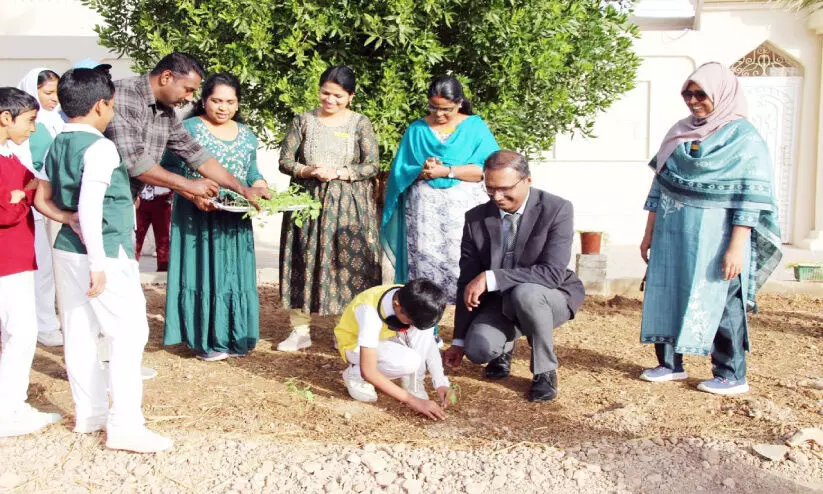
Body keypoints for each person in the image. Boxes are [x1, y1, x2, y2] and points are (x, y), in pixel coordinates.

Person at [39, 68, 172, 452]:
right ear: (101, 104)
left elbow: (42, 197)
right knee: (129, 334)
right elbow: (91, 204)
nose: (113, 112)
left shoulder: (57, 142)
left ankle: (90, 414)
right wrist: (98, 262)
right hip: (105, 251)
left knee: (78, 332)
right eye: (112, 105)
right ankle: (126, 425)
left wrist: (68, 221)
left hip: (66, 247)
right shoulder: (100, 147)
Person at [638, 62, 782, 396]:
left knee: (721, 296)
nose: (692, 100)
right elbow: (659, 185)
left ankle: (731, 373)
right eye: (687, 93)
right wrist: (648, 233)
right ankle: (670, 364)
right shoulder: (679, 131)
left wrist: (737, 246)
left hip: (720, 236)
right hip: (672, 232)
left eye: (700, 93)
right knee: (667, 288)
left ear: (721, 93)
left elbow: (750, 196)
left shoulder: (744, 138)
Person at [443, 150, 585, 403]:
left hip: (549, 296)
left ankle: (545, 371)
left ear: (527, 180)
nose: (497, 197)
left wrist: (492, 277)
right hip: (501, 303)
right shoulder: (476, 218)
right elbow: (467, 282)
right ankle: (503, 347)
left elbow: (552, 273)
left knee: (526, 293)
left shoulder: (557, 209)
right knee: (479, 350)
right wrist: (459, 340)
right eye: (490, 189)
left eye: (505, 189)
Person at [161, 73, 266, 361]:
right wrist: (192, 193)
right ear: (204, 100)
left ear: (238, 103)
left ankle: (234, 336)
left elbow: (252, 171)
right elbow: (169, 170)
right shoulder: (188, 128)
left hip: (235, 216)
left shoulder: (246, 134)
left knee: (233, 274)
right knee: (204, 274)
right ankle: (206, 339)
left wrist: (260, 185)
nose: (223, 107)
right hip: (197, 215)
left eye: (230, 102)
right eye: (216, 100)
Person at [277, 65, 382, 352]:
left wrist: (340, 172)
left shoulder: (360, 123)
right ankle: (300, 331)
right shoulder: (303, 121)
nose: (330, 100)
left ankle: (345, 330)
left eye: (338, 95)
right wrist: (309, 171)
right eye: (326, 93)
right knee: (303, 258)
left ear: (351, 96)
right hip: (307, 202)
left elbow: (372, 164)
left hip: (348, 204)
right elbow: (285, 161)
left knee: (345, 262)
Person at [381, 76, 499, 305]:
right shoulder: (417, 129)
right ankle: (425, 329)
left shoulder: (475, 127)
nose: (439, 114)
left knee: (463, 263)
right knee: (425, 265)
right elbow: (400, 170)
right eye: (433, 107)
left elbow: (488, 169)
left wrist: (447, 171)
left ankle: (465, 332)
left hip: (462, 214)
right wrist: (420, 170)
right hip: (425, 217)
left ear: (460, 103)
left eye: (446, 109)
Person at [103, 51, 270, 209]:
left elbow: (196, 154)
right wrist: (189, 186)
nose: (190, 98)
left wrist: (242, 190)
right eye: (188, 89)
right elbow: (136, 163)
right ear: (166, 77)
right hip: (101, 201)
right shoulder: (125, 96)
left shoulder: (165, 110)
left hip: (123, 202)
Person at [0, 87, 62, 437]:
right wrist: (22, 195)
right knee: (20, 332)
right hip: (6, 259)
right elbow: (7, 212)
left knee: (20, 332)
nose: (34, 129)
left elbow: (26, 190)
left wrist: (20, 194)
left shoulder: (10, 154)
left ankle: (11, 404)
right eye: (30, 120)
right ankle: (8, 410)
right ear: (5, 118)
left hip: (16, 256)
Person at [333, 278, 452, 420]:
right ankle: (355, 374)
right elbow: (369, 371)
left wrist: (441, 383)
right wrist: (412, 400)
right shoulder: (369, 311)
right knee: (409, 362)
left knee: (416, 345)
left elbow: (428, 342)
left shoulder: (416, 300)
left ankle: (414, 383)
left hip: (386, 339)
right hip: (355, 345)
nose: (412, 325)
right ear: (396, 305)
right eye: (410, 322)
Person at [9, 68, 64, 347]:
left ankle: (45, 321)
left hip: (45, 200)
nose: (55, 99)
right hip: (26, 203)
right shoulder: (20, 128)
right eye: (48, 92)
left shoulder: (56, 122)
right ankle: (41, 324)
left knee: (46, 268)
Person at [134, 184, 172, 272]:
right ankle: (129, 270)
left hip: (162, 198)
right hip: (141, 198)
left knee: (163, 240)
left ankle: (162, 273)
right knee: (136, 239)